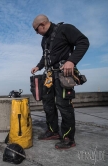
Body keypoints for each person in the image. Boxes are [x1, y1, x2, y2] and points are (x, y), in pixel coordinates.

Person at [31, 14, 89, 149]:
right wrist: (38, 66)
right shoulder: (44, 40)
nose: (36, 33)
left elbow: (83, 41)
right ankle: (53, 132)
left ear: (42, 25)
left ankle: (68, 138)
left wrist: (71, 61)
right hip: (49, 77)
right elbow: (45, 56)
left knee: (64, 106)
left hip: (63, 75)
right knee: (48, 104)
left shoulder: (65, 29)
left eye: (36, 30)